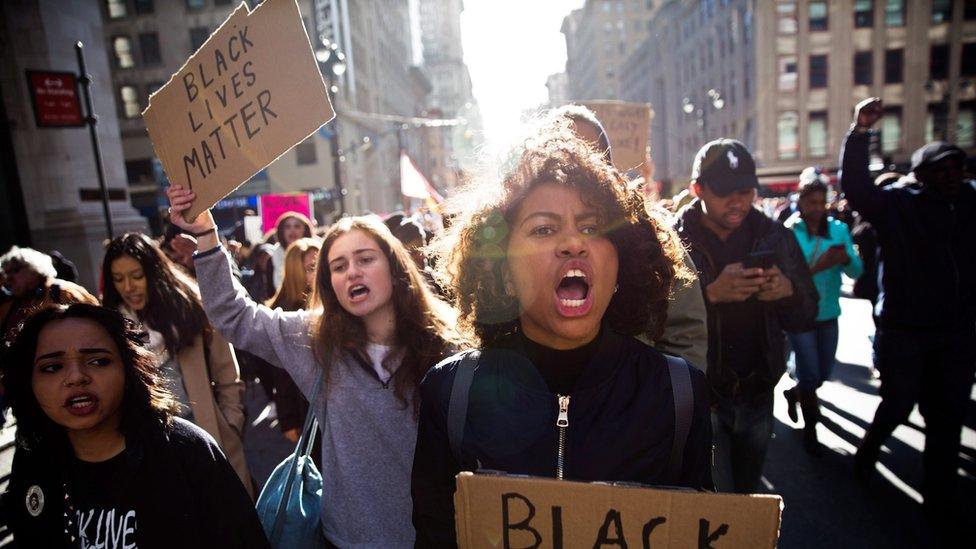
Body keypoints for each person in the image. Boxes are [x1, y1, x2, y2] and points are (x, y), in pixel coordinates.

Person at [412, 118, 713, 546]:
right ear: (502, 266)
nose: (573, 243)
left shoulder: (680, 394)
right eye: (544, 229)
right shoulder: (450, 394)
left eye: (591, 227)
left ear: (622, 260)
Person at [166, 184, 462, 548]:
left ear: (395, 266)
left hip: (440, 538)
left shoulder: (446, 344)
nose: (352, 272)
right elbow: (233, 316)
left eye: (365, 259)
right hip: (346, 540)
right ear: (329, 283)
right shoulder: (313, 340)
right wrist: (208, 237)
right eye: (338, 266)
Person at [0, 304, 269, 548]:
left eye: (97, 361)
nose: (76, 377)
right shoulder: (33, 457)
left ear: (129, 370)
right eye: (52, 367)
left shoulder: (186, 450)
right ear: (28, 381)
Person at [841, 98, 976, 532]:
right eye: (941, 169)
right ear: (921, 174)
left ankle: (940, 496)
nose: (952, 176)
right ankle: (868, 452)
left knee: (947, 417)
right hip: (904, 331)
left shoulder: (970, 203)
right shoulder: (899, 205)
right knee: (897, 405)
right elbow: (857, 189)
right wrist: (860, 133)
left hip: (955, 333)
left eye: (957, 168)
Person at [674, 138, 818, 494]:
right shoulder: (672, 240)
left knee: (749, 490)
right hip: (702, 396)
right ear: (698, 189)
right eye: (725, 191)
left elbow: (808, 313)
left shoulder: (775, 235)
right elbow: (649, 323)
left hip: (757, 393)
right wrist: (708, 296)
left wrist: (788, 292)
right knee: (718, 499)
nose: (737, 201)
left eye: (746, 190)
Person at [554, 104, 709, 369]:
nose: (574, 171)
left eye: (586, 156)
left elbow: (685, 337)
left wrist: (660, 398)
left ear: (608, 165)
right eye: (562, 157)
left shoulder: (653, 240)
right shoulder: (520, 240)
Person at [101, 233, 253, 497]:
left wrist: (231, 423)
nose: (128, 287)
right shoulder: (111, 327)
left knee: (226, 522)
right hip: (150, 449)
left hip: (209, 437)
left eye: (136, 275)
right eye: (118, 279)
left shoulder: (191, 307)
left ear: (154, 272)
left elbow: (227, 372)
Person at [782, 173, 863, 453]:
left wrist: (846, 259)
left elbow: (856, 272)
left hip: (829, 313)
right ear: (801, 203)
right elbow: (787, 278)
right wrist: (820, 264)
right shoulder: (790, 231)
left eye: (821, 202)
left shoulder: (839, 230)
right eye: (811, 202)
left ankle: (794, 393)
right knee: (809, 375)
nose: (817, 207)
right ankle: (811, 429)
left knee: (821, 374)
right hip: (799, 316)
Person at [265, 237, 321, 444]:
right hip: (305, 410)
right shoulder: (287, 315)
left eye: (322, 263)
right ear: (296, 273)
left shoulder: (335, 301)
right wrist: (288, 419)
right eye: (311, 267)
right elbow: (281, 374)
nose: (320, 271)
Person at [0, 247, 98, 341]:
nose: (9, 278)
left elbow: (94, 327)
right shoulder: (9, 305)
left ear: (34, 268)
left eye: (15, 270)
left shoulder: (64, 291)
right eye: (6, 272)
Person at [270, 212, 314, 289]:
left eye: (297, 226)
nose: (292, 230)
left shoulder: (315, 250)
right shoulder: (274, 255)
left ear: (305, 230)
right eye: (287, 227)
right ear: (282, 231)